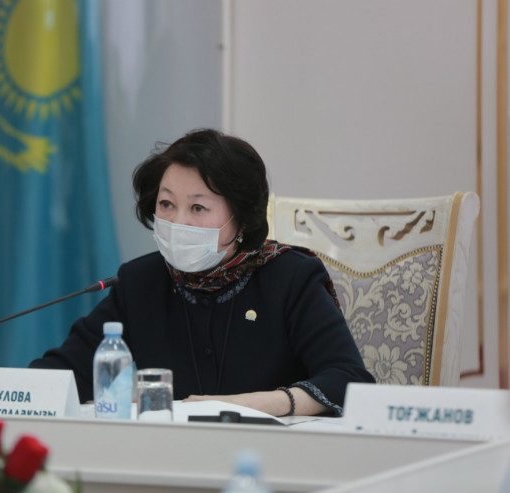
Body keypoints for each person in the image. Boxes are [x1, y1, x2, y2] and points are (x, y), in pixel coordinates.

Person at [30, 128, 375, 417]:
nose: (178, 221)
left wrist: (254, 405)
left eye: (198, 207)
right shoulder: (140, 282)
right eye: (166, 204)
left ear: (241, 219)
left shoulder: (290, 277)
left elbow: (348, 380)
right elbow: (62, 376)